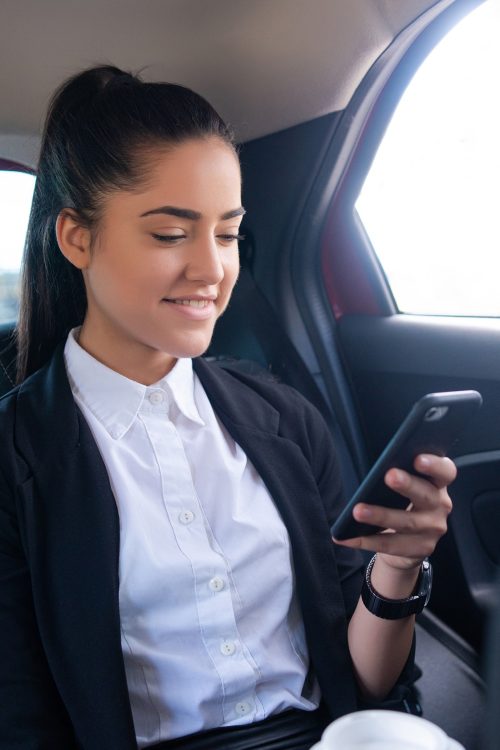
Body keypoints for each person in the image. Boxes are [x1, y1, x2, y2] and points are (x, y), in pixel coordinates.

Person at [0, 65, 455, 750]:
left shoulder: (285, 419)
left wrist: (396, 570)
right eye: (170, 234)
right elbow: (22, 720)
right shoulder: (14, 456)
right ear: (76, 238)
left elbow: (365, 685)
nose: (212, 268)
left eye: (227, 232)